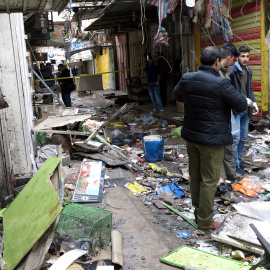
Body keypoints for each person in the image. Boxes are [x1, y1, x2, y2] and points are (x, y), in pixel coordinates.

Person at [174, 46, 248, 230]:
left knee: (196, 175)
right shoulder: (220, 83)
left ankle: (198, 210)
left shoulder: (187, 78)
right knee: (209, 179)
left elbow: (177, 95)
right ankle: (205, 220)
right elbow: (240, 104)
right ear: (217, 62)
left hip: (192, 136)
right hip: (212, 140)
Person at [229, 45, 259, 175]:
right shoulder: (231, 71)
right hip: (235, 109)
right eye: (242, 56)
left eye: (247, 56)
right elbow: (229, 91)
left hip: (246, 109)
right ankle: (235, 165)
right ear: (237, 57)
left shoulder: (249, 71)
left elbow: (249, 89)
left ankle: (239, 161)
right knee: (235, 139)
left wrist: (254, 102)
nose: (245, 59)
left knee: (243, 137)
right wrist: (241, 100)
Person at [219, 43, 242, 181]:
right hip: (218, 119)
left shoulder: (227, 72)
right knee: (217, 151)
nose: (233, 62)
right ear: (229, 57)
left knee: (229, 147)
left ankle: (231, 175)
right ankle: (216, 180)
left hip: (226, 117)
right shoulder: (217, 74)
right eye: (233, 59)